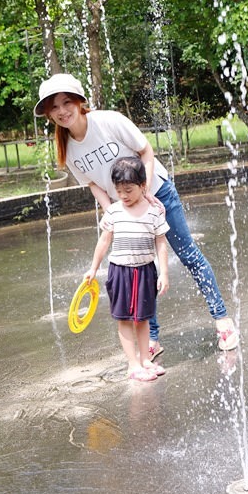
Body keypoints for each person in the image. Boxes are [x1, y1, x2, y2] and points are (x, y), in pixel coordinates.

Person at [34, 73, 239, 357]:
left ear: (80, 102)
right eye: (53, 107)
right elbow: (94, 183)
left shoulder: (108, 121)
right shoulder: (67, 148)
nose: (61, 111)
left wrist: (145, 194)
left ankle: (222, 319)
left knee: (188, 255)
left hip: (157, 194)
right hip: (125, 210)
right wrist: (113, 213)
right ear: (47, 113)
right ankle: (151, 339)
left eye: (66, 102)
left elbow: (146, 152)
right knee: (141, 270)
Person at [83, 156, 169, 382]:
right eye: (119, 190)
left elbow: (161, 242)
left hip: (145, 271)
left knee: (143, 318)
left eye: (128, 190)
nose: (123, 195)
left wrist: (164, 273)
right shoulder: (114, 212)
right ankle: (132, 365)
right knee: (124, 319)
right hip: (120, 271)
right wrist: (93, 268)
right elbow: (104, 241)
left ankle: (145, 360)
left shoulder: (153, 212)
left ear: (143, 186)